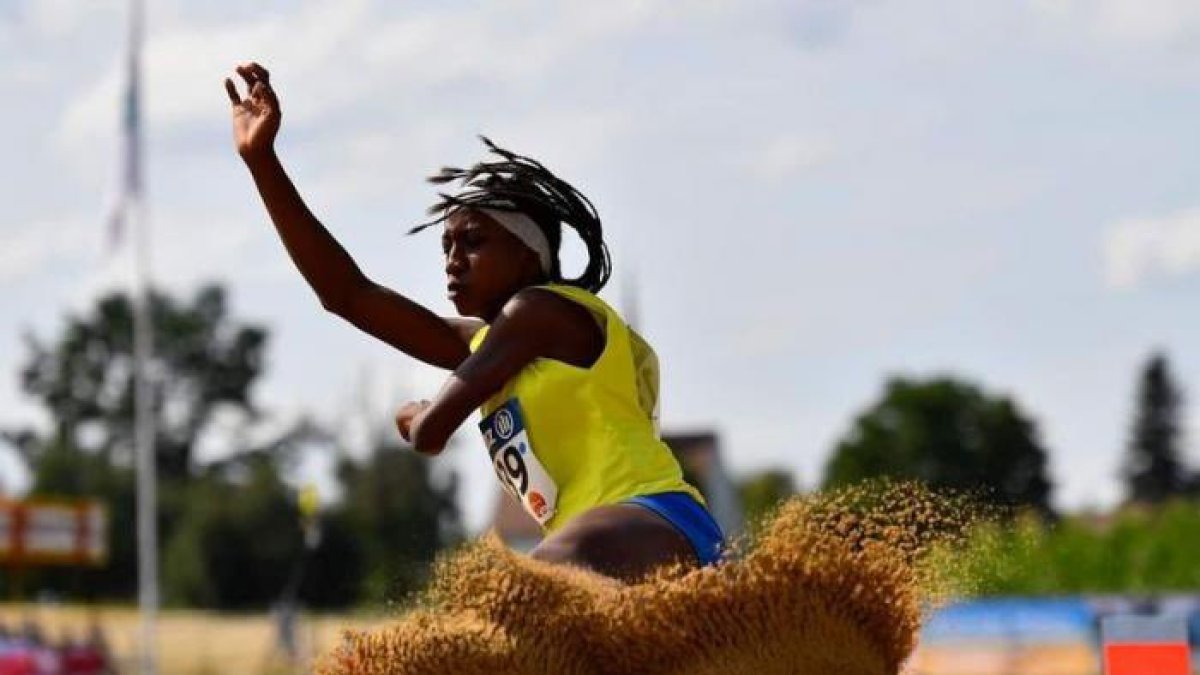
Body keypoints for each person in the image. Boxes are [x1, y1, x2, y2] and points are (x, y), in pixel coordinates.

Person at [225, 62, 724, 582]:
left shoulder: (541, 312)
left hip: (659, 518)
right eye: (446, 245)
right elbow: (348, 294)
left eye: (474, 242)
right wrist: (262, 162)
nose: (453, 259)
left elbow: (431, 431)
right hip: (593, 547)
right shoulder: (494, 342)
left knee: (526, 585)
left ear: (530, 255)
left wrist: (416, 414)